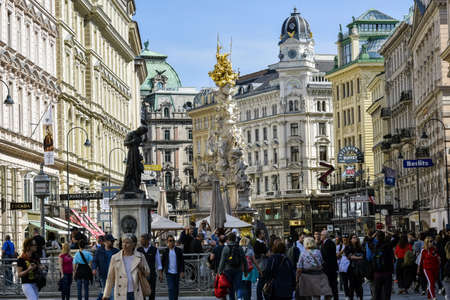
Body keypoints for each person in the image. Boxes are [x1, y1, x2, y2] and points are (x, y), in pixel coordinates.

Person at [103, 234, 150, 300]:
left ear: (134, 244)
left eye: (127, 242)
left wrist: (141, 267)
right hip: (120, 292)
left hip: (136, 292)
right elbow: (110, 278)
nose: (124, 244)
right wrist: (106, 294)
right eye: (123, 242)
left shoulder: (140, 256)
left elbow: (147, 273)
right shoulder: (115, 258)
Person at [218, 232, 248, 300]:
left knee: (231, 288)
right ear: (235, 239)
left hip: (228, 270)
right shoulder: (240, 248)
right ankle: (240, 298)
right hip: (238, 270)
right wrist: (246, 270)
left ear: (228, 239)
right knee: (239, 286)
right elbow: (244, 260)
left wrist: (219, 272)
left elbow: (222, 261)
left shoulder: (226, 248)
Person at [93, 234, 120, 300]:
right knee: (105, 292)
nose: (113, 243)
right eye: (111, 241)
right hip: (103, 275)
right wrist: (94, 268)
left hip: (114, 276)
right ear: (106, 242)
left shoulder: (116, 251)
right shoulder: (99, 251)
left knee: (112, 293)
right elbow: (95, 261)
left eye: (113, 241)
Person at [137, 233, 163, 300]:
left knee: (152, 292)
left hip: (152, 274)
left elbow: (159, 263)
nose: (141, 241)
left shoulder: (154, 249)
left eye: (142, 240)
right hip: (142, 275)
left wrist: (160, 274)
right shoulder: (138, 250)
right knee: (142, 292)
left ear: (147, 240)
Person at [372, 231, 395, 300]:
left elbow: (368, 240)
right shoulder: (389, 245)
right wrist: (387, 231)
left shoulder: (374, 246)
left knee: (377, 293)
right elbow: (397, 237)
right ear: (384, 237)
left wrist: (375, 233)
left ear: (377, 237)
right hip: (387, 272)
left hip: (377, 273)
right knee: (387, 293)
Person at [161, 234, 185, 300]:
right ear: (167, 242)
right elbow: (162, 262)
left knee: (176, 289)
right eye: (169, 241)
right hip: (169, 273)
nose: (171, 242)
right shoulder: (165, 251)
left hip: (177, 273)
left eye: (172, 240)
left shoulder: (178, 250)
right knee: (171, 288)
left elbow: (182, 262)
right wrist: (161, 273)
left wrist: (182, 271)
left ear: (174, 242)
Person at [345, 234, 364, 300]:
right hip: (351, 269)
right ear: (350, 239)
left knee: (359, 285)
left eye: (356, 237)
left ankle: (360, 297)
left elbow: (363, 255)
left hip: (359, 269)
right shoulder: (348, 247)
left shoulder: (360, 247)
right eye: (353, 237)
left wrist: (358, 257)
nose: (355, 238)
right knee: (352, 285)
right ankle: (351, 297)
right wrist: (359, 257)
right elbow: (350, 257)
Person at [320, 230, 338, 300]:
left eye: (321, 235)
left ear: (325, 236)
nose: (320, 236)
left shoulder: (328, 243)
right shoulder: (326, 243)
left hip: (329, 269)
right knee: (332, 286)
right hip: (330, 269)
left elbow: (326, 256)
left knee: (331, 286)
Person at [253, 230, 268, 300]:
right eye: (262, 233)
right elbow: (257, 254)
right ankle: (260, 297)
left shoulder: (262, 242)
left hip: (264, 264)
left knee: (263, 281)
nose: (264, 234)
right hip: (262, 264)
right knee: (261, 282)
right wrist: (265, 254)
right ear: (259, 235)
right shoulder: (258, 243)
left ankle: (263, 296)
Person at [337, 234, 350, 298]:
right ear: (342, 239)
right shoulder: (339, 246)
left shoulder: (351, 246)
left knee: (351, 282)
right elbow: (337, 256)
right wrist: (343, 250)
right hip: (342, 267)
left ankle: (350, 294)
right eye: (344, 238)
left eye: (346, 238)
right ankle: (347, 295)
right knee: (345, 282)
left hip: (350, 267)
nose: (345, 240)